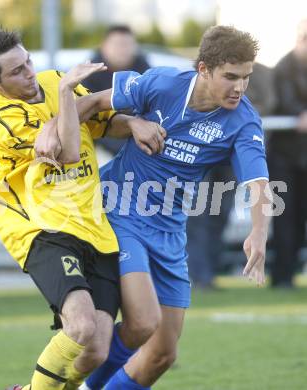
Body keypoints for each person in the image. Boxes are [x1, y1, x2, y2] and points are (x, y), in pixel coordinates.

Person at [0, 30, 165, 390]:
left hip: (91, 224)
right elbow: (70, 150)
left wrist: (133, 121)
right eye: (16, 71)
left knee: (94, 351)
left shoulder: (55, 80)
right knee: (80, 326)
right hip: (41, 227)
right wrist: (72, 100)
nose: (29, 73)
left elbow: (102, 120)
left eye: (28, 61)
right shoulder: (3, 118)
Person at [80, 25, 271, 389]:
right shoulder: (163, 84)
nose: (240, 87)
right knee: (141, 322)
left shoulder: (243, 119)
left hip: (168, 227)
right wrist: (132, 122)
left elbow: (258, 181)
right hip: (118, 210)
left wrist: (258, 233)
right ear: (203, 70)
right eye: (230, 77)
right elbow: (89, 104)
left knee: (163, 354)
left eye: (246, 77)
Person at [187, 61, 276, 289]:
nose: (238, 86)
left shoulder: (260, 75)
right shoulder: (200, 69)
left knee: (220, 214)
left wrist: (235, 111)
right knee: (198, 215)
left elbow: (268, 103)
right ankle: (199, 274)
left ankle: (210, 272)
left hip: (231, 156)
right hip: (203, 155)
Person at [268, 19, 307, 288]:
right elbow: (279, 102)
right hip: (284, 157)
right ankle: (282, 276)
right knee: (285, 218)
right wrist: (298, 115)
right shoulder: (283, 68)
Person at [82, 25, 150, 157]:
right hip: (97, 147)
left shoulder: (146, 72)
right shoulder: (88, 73)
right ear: (104, 46)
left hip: (141, 144)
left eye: (127, 44)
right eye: (117, 44)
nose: (122, 49)